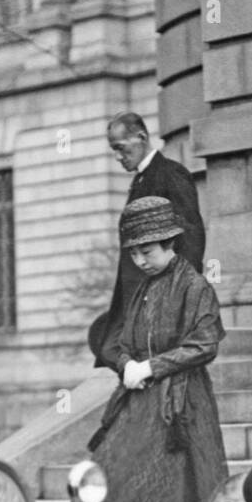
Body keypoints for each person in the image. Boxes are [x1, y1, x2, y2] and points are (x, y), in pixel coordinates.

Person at [88, 197, 228, 502]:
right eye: (134, 253)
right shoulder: (142, 290)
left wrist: (152, 366)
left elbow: (205, 343)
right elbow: (118, 342)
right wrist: (125, 365)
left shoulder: (195, 287)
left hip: (180, 402)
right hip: (138, 400)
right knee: (112, 472)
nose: (139, 261)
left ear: (171, 243)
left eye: (147, 251)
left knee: (173, 487)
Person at [90, 112, 207, 368]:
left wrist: (178, 297)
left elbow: (191, 238)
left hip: (157, 299)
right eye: (114, 150)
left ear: (141, 137)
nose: (118, 157)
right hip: (136, 296)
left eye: (121, 148)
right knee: (111, 349)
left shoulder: (171, 174)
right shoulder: (141, 179)